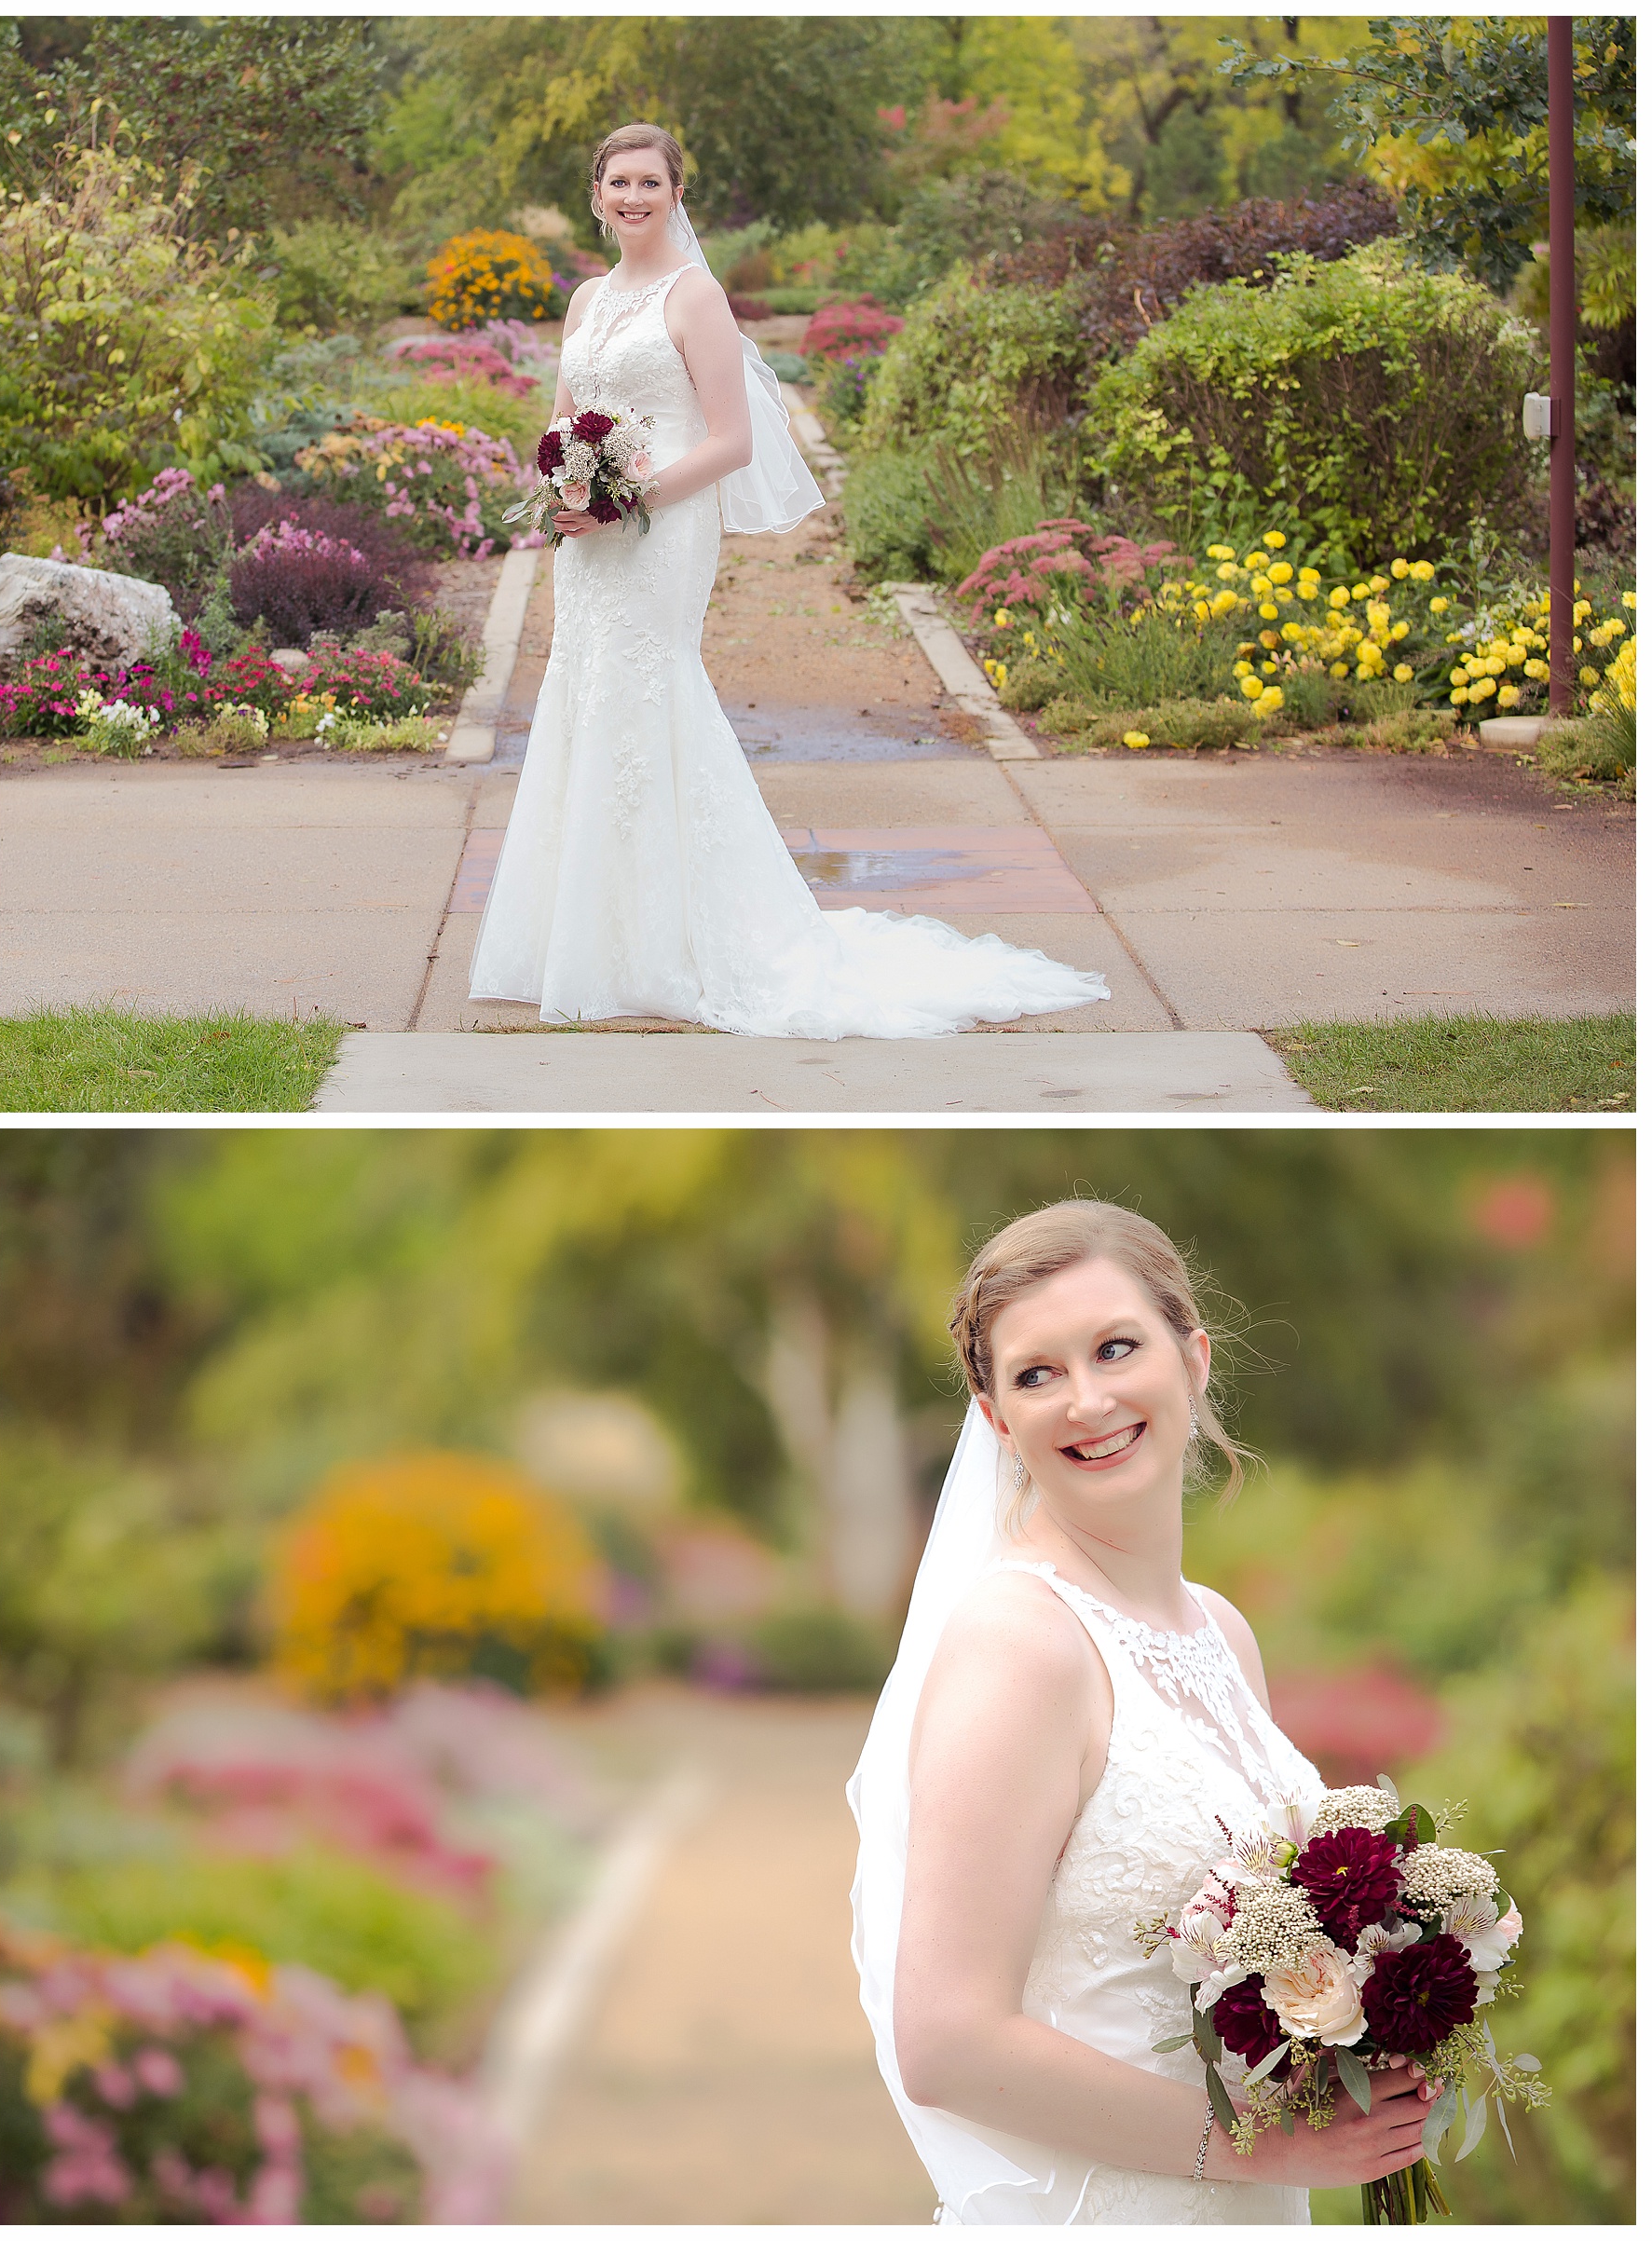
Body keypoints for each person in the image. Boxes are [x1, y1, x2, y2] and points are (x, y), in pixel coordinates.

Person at [848, 1202, 1437, 2223]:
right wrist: (1260, 2149)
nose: (1087, 1399)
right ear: (995, 1419)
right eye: (1036, 1373)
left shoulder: (1220, 1630)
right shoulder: (1021, 1643)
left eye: (1116, 1347)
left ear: (1194, 1355)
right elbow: (946, 2039)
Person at [470, 123, 1110, 1037]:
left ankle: (686, 942)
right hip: (593, 537)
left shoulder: (696, 298)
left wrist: (629, 496)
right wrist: (567, 490)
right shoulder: (585, 300)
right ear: (597, 195)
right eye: (619, 182)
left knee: (650, 695)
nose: (634, 197)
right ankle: (595, 939)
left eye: (650, 181)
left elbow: (730, 439)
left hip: (664, 527)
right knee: (585, 696)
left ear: (676, 194)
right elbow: (564, 417)